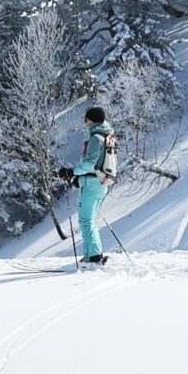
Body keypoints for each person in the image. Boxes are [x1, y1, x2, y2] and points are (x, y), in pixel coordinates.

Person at [71, 107, 118, 267]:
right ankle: (92, 255)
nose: (84, 122)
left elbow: (89, 165)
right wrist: (79, 179)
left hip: (92, 184)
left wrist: (70, 172)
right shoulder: (107, 136)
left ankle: (93, 258)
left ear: (92, 120)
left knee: (86, 221)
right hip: (101, 183)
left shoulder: (96, 138)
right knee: (90, 221)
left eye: (86, 119)